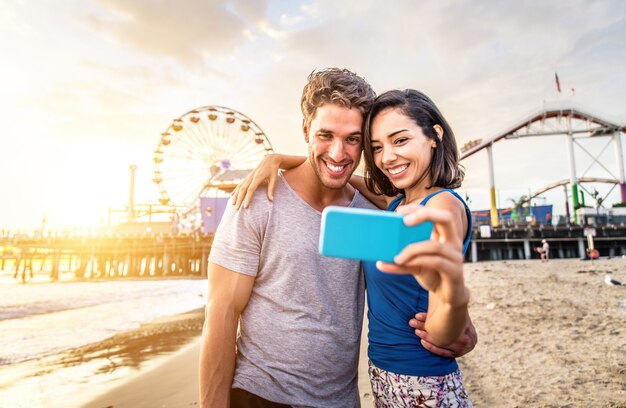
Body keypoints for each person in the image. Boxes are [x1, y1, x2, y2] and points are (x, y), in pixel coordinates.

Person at [234, 89, 474, 406]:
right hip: (388, 379)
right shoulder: (397, 202)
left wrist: (455, 300)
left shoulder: (441, 207)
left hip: (423, 383)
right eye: (376, 147)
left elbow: (442, 333)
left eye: (400, 140)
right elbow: (338, 173)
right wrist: (276, 160)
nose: (387, 157)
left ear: (434, 136)